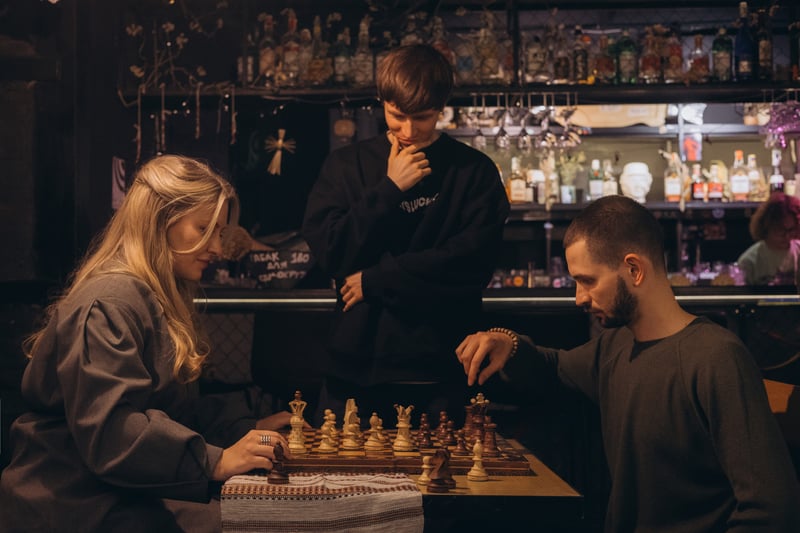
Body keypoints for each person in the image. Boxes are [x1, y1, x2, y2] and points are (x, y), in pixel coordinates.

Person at [456, 195, 800, 532]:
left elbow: (770, 508)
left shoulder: (715, 357)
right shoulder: (615, 346)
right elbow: (555, 368)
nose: (578, 298)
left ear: (634, 269)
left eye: (587, 281)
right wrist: (509, 343)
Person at [0, 155, 299, 533]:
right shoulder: (109, 301)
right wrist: (216, 462)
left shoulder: (152, 296)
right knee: (257, 521)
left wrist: (243, 428)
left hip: (114, 490)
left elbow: (168, 411)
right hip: (72, 501)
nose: (217, 248)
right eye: (204, 228)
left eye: (219, 233)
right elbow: (113, 433)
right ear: (159, 221)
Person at [301, 43, 510, 427]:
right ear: (381, 101)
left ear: (442, 108)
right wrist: (389, 190)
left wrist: (375, 280)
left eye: (423, 117)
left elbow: (471, 265)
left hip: (443, 369)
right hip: (356, 370)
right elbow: (331, 252)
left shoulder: (474, 172)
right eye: (397, 116)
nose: (409, 130)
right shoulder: (346, 166)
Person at [737, 191, 800, 286]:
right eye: (780, 230)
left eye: (791, 230)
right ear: (766, 228)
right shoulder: (748, 262)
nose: (787, 236)